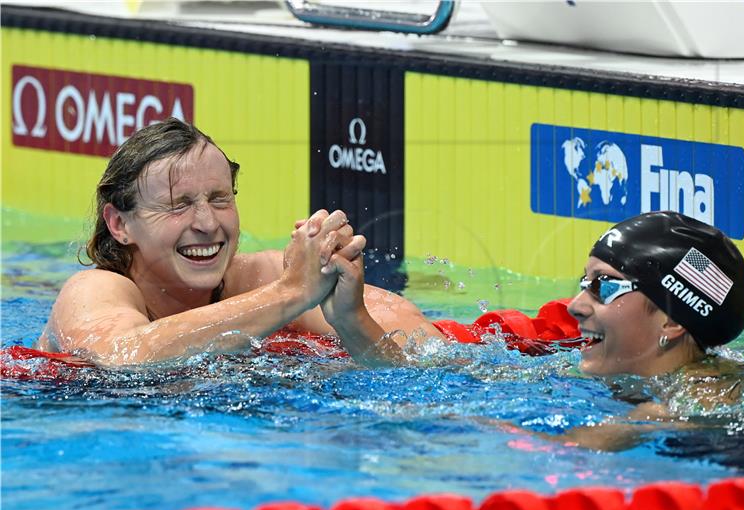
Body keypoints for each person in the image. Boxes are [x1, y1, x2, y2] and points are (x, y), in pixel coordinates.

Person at [36, 118, 441, 367]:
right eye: (179, 205)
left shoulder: (257, 278)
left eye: (219, 199)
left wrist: (351, 321)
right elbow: (121, 358)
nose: (207, 223)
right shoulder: (93, 291)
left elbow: (431, 354)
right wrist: (291, 293)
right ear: (119, 224)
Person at [523, 210, 744, 450]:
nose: (575, 306)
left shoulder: (690, 406)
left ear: (671, 322)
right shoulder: (629, 381)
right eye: (586, 282)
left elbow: (562, 452)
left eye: (604, 285)